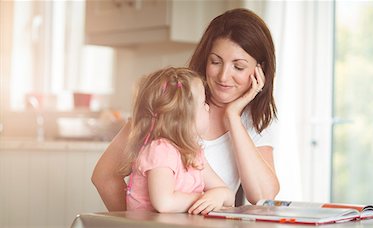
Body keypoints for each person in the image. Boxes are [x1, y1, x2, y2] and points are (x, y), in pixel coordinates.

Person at [92, 8, 280, 212]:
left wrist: (233, 117)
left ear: (259, 70)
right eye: (215, 62)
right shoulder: (171, 105)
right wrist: (136, 222)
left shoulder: (253, 121)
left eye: (239, 67)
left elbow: (262, 197)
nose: (224, 76)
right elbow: (105, 176)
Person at [124, 67, 234, 214]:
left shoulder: (194, 153)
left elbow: (228, 196)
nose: (208, 107)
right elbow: (164, 203)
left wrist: (218, 196)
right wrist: (202, 197)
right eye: (203, 103)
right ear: (183, 119)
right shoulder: (161, 150)